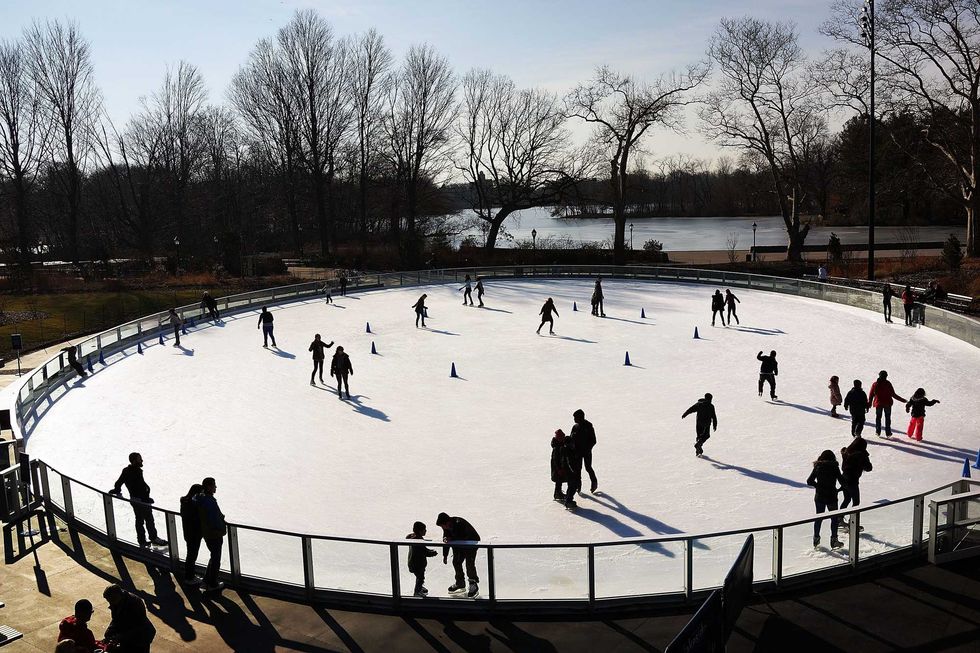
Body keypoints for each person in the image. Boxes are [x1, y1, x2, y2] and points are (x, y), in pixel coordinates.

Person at [108, 453, 166, 548]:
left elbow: (119, 482)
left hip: (138, 500)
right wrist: (146, 498)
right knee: (147, 519)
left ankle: (145, 540)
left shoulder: (128, 471)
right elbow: (138, 487)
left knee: (142, 520)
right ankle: (150, 539)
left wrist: (117, 489)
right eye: (140, 459)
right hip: (141, 501)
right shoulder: (134, 472)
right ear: (134, 461)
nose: (142, 461)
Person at [807, 450, 845, 549]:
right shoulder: (834, 467)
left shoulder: (818, 466)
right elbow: (842, 482)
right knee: (834, 519)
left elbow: (809, 481)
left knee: (819, 518)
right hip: (831, 496)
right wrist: (839, 489)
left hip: (820, 496)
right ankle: (834, 540)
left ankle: (816, 538)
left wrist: (818, 486)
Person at [436, 512, 481, 598]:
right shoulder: (446, 527)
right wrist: (445, 555)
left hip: (471, 543)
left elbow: (461, 536)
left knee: (469, 563)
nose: (442, 528)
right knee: (456, 562)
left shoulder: (458, 522)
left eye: (442, 526)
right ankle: (460, 583)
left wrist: (451, 538)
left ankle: (473, 583)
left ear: (447, 522)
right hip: (459, 545)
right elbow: (446, 540)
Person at [102, 585, 156, 653]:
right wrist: (109, 632)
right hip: (129, 636)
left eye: (111, 601)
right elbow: (116, 619)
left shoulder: (134, 603)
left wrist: (118, 637)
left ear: (118, 596)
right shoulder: (116, 602)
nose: (110, 603)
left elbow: (137, 627)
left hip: (141, 637)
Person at [197, 477, 226, 592]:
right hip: (214, 534)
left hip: (208, 533)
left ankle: (207, 580)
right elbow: (214, 519)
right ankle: (213, 584)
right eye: (214, 485)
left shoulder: (202, 499)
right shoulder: (209, 501)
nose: (215, 487)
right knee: (215, 558)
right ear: (209, 487)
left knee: (213, 557)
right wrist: (221, 527)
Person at [839, 436, 872, 524]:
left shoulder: (846, 452)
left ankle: (839, 518)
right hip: (852, 480)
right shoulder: (861, 455)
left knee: (847, 499)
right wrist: (865, 456)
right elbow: (869, 467)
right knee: (856, 503)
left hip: (844, 478)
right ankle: (853, 523)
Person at [867, 370, 906, 438]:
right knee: (887, 418)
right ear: (886, 376)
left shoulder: (875, 384)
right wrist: (903, 400)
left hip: (878, 404)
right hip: (887, 404)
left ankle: (878, 431)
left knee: (878, 418)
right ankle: (888, 433)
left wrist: (869, 403)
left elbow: (871, 395)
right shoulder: (888, 384)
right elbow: (893, 394)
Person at [180, 484, 204, 586]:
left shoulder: (185, 501)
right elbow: (195, 518)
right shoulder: (193, 504)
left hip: (188, 532)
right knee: (192, 555)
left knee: (191, 554)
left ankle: (190, 575)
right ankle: (189, 577)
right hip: (194, 534)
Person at [406, 521, 438, 597]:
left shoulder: (413, 537)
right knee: (420, 577)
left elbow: (423, 550)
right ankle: (417, 591)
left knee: (419, 577)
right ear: (420, 531)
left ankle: (419, 587)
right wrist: (432, 553)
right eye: (424, 529)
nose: (426, 531)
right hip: (418, 564)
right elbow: (424, 551)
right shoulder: (418, 540)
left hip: (413, 563)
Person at [570, 409, 598, 494]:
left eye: (575, 417)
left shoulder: (588, 426)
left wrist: (587, 449)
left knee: (588, 467)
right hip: (577, 452)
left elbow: (593, 440)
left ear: (580, 417)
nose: (574, 419)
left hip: (586, 452)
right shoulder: (575, 427)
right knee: (578, 469)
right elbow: (571, 439)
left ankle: (594, 483)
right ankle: (578, 486)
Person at [682, 393, 718, 457]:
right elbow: (714, 416)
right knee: (706, 435)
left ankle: (698, 449)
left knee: (699, 437)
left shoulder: (699, 404)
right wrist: (715, 425)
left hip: (699, 423)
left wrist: (685, 414)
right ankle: (698, 446)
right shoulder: (711, 406)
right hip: (706, 424)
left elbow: (691, 409)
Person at [550, 429, 570, 502]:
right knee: (558, 480)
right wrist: (559, 469)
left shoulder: (559, 445)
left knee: (559, 480)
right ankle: (557, 493)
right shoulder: (557, 448)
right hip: (558, 467)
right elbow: (556, 459)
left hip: (559, 466)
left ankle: (558, 493)